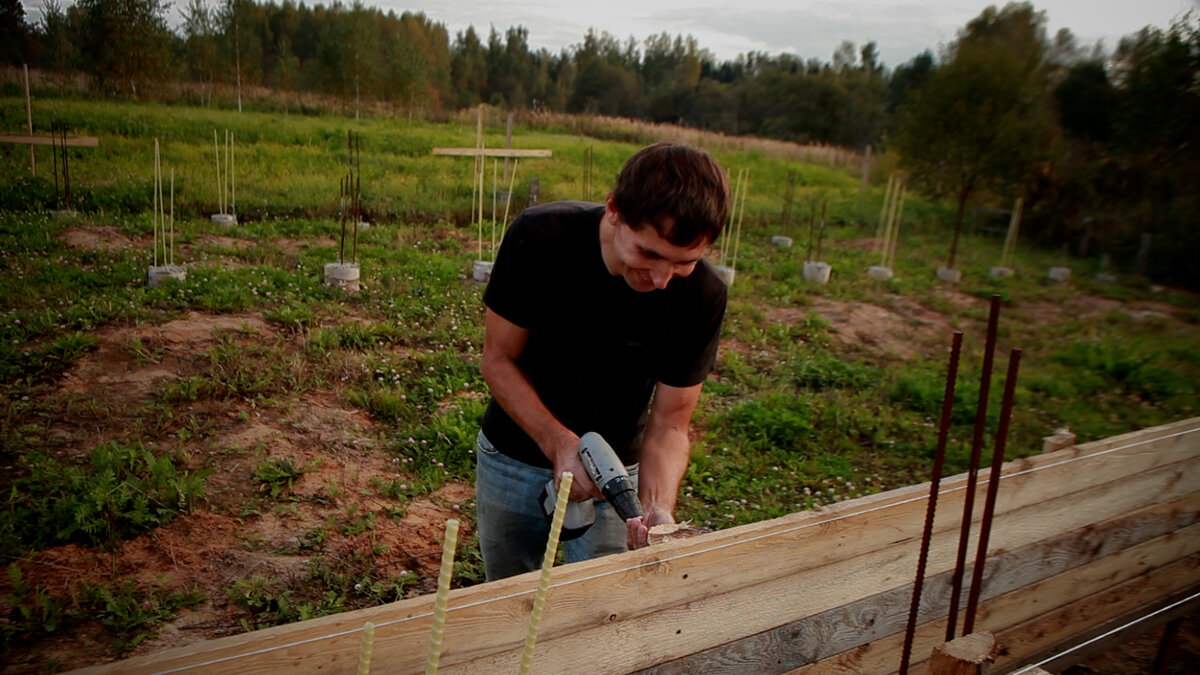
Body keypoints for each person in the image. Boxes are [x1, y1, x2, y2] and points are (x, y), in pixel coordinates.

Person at [475, 141, 731, 581]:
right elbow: (497, 359)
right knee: (509, 596)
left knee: (602, 604)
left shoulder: (702, 295)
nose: (661, 279)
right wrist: (560, 444)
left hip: (616, 477)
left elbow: (670, 423)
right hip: (512, 457)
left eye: (684, 263)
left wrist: (656, 509)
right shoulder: (540, 237)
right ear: (614, 209)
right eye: (648, 253)